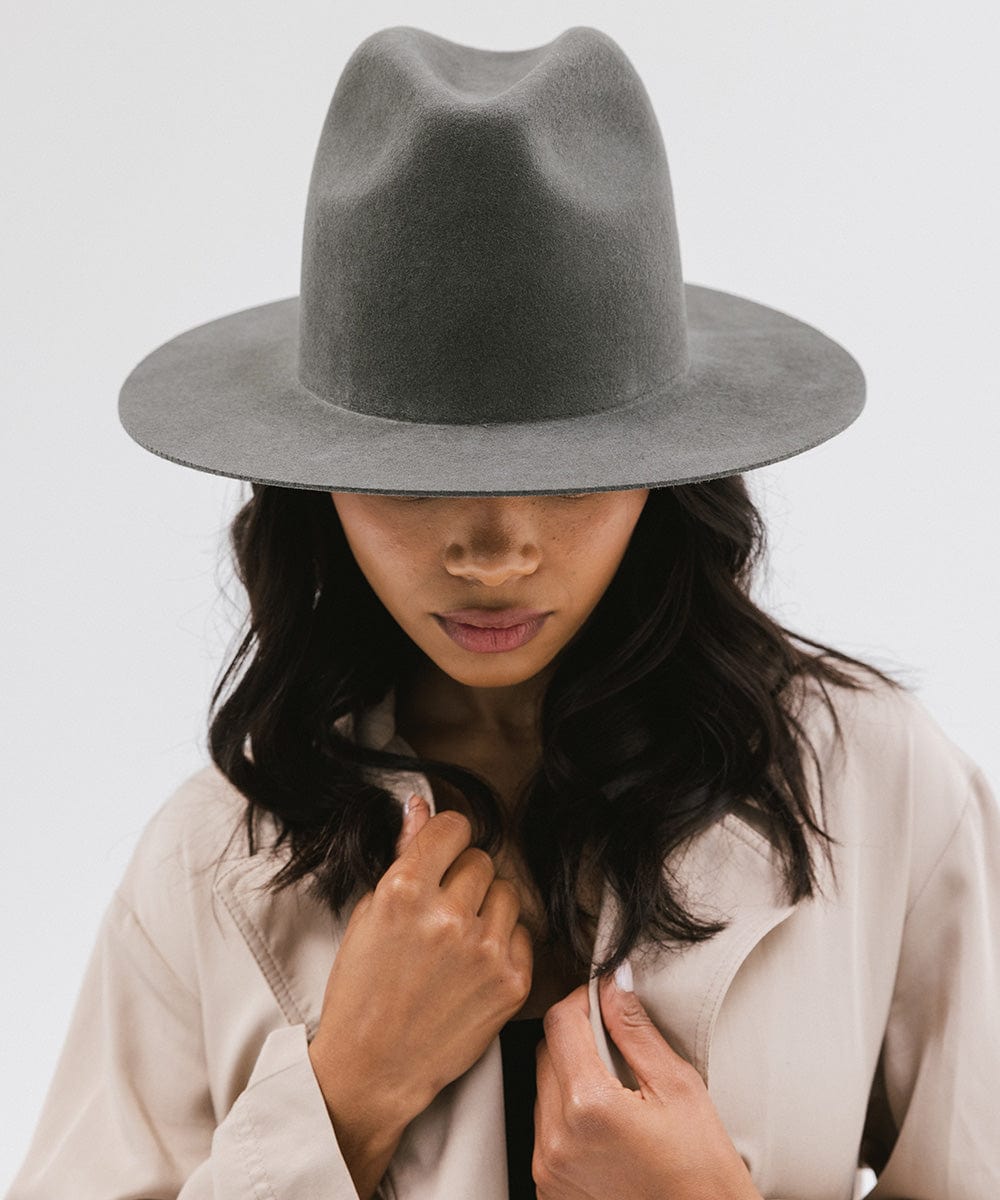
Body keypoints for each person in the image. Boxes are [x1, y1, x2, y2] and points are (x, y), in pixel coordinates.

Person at [6, 23, 998, 1200]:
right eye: (414, 474)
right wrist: (341, 1099)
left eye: (571, 470)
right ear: (315, 480)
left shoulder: (874, 790)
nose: (494, 551)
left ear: (665, 467)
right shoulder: (211, 869)